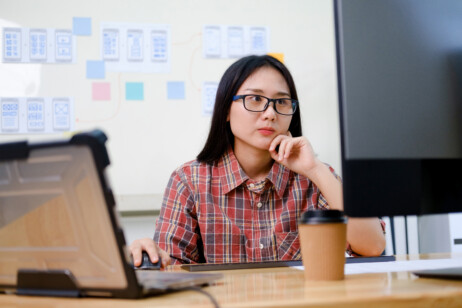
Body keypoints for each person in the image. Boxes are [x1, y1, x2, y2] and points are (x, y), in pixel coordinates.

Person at [130, 55, 386, 267]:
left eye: (281, 102)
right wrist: (151, 256)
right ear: (226, 111)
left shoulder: (314, 177)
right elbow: (171, 267)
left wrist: (315, 169)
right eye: (255, 99)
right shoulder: (188, 181)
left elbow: (372, 247)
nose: (270, 113)